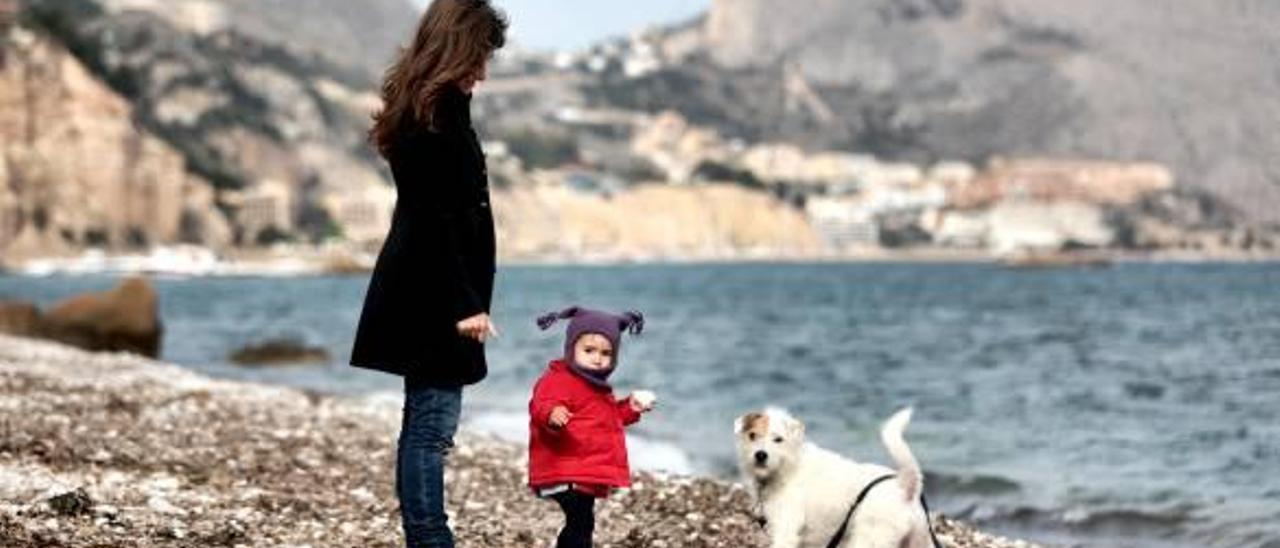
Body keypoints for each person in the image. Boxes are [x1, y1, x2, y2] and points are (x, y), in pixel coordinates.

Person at [349, 1, 507, 546]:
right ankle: (430, 537)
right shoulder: (435, 116)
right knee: (431, 428)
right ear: (459, 47)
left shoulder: (434, 107)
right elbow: (438, 218)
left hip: (426, 283)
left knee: (424, 423)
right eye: (480, 56)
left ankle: (426, 534)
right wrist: (466, 303)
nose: (483, 72)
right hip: (435, 291)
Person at [527, 307, 657, 548]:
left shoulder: (596, 386)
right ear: (571, 348)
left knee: (582, 522)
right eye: (589, 350)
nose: (597, 358)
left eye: (606, 353)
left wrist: (632, 407)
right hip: (563, 467)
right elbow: (539, 405)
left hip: (581, 469)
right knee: (581, 521)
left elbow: (608, 419)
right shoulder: (558, 379)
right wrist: (551, 414)